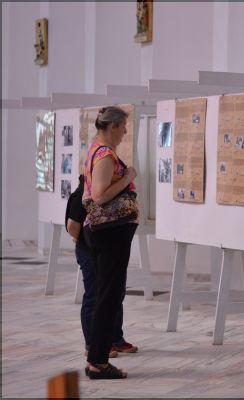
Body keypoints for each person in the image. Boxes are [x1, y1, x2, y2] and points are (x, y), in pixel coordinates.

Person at [82, 106, 139, 379]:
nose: (125, 131)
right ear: (113, 126)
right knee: (109, 297)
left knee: (107, 296)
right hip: (110, 234)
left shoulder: (95, 150)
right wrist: (127, 178)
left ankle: (96, 358)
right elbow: (99, 196)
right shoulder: (105, 155)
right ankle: (98, 363)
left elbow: (90, 195)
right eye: (123, 126)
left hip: (104, 233)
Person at [66, 175, 139, 365]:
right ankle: (92, 344)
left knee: (114, 293)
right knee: (94, 295)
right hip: (88, 250)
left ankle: (115, 339)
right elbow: (72, 226)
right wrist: (84, 242)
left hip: (106, 248)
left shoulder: (107, 191)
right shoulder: (81, 193)